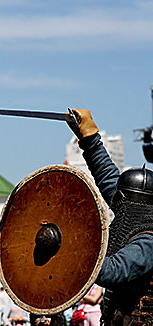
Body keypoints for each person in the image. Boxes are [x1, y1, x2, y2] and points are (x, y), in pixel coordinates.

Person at [67, 109, 153, 326]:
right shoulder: (134, 214)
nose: (117, 204)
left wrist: (69, 252)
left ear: (135, 206)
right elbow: (108, 179)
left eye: (122, 201)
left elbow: (114, 270)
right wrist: (89, 138)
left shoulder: (149, 242)